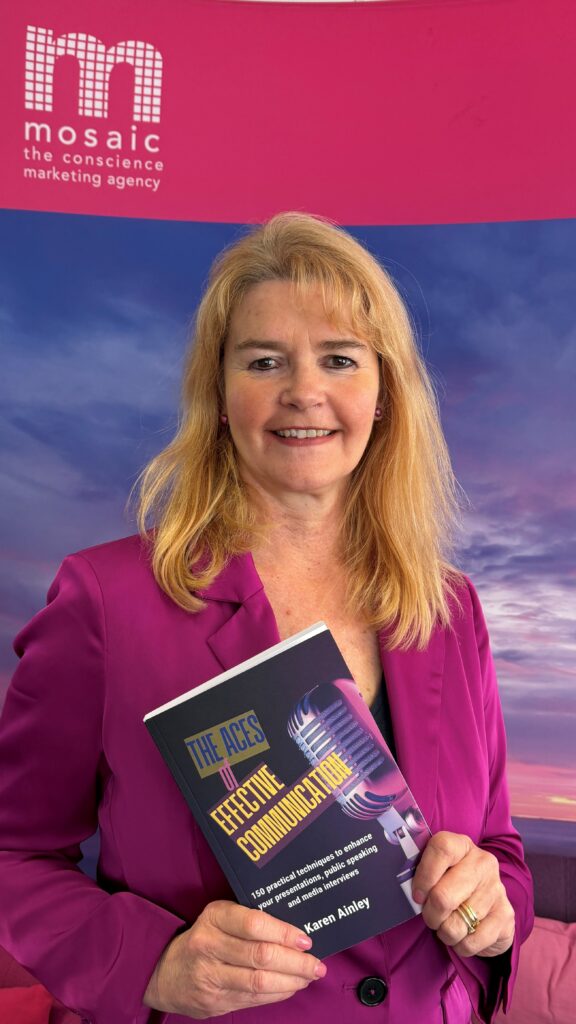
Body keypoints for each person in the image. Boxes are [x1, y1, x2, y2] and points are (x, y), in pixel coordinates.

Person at [0, 213, 533, 1024]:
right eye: (264, 361)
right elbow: (15, 853)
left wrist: (494, 910)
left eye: (340, 358)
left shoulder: (449, 608)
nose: (303, 392)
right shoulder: (108, 600)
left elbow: (500, 853)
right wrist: (152, 964)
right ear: (220, 394)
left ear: (384, 395)